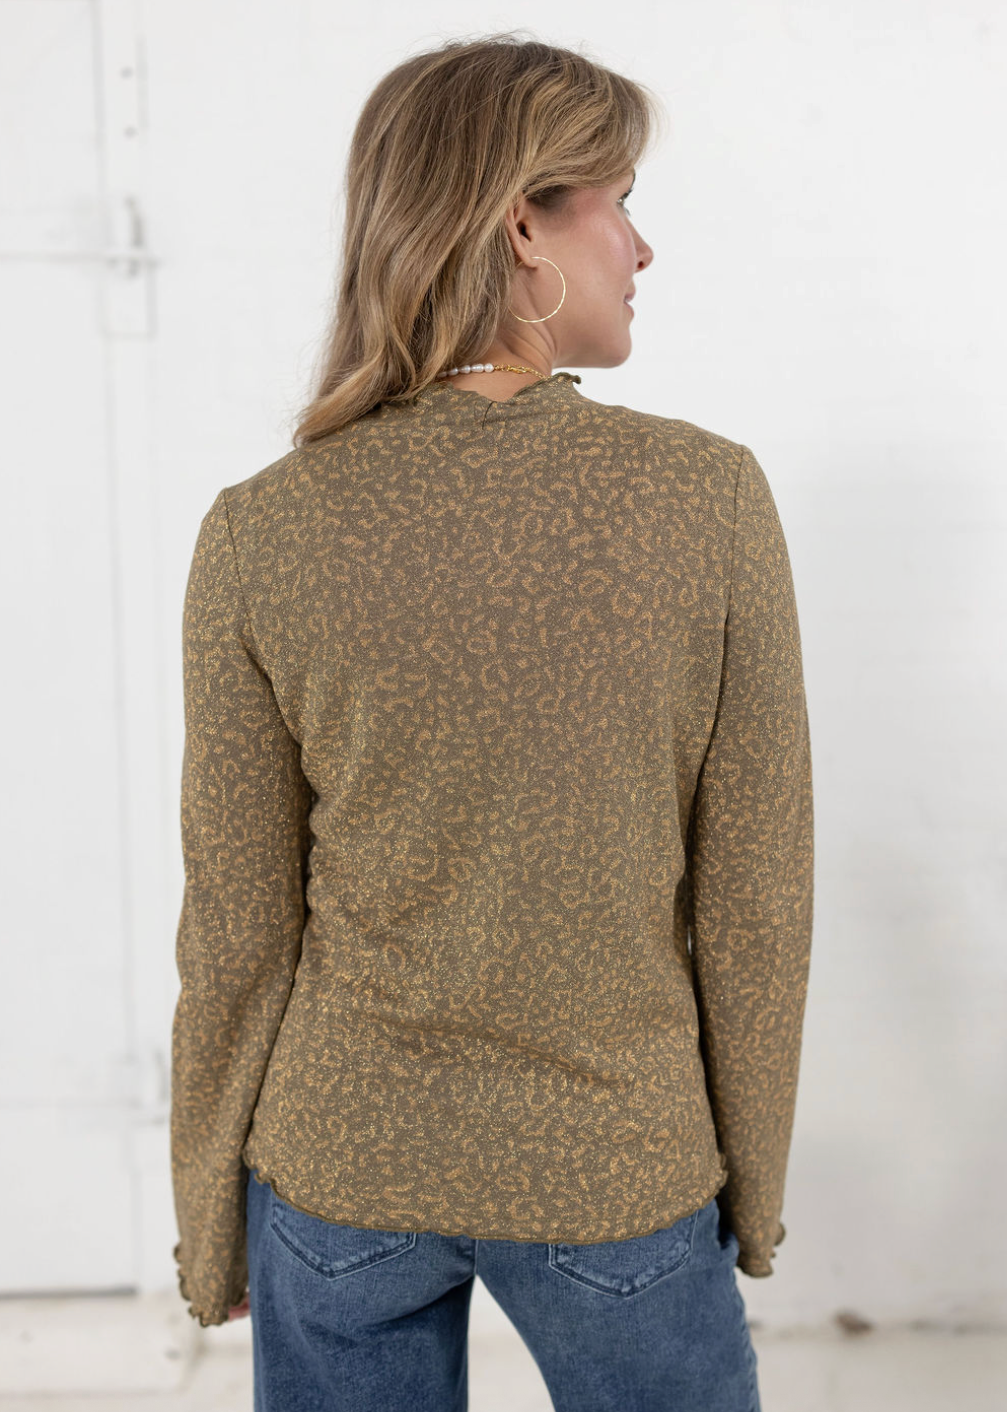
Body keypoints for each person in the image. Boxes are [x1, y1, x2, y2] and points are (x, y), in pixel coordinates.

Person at [170, 31, 813, 1412]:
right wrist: (748, 1194)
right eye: (619, 204)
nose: (642, 248)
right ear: (525, 223)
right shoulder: (705, 499)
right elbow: (754, 900)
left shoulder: (260, 529)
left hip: (342, 1173)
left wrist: (209, 1217)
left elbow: (235, 929)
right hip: (614, 1168)